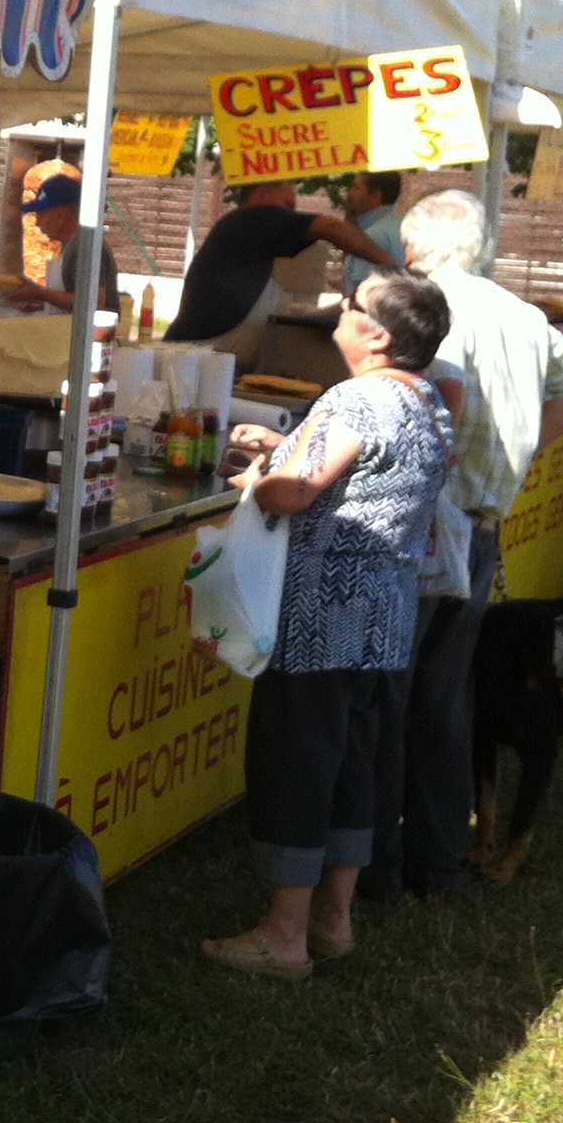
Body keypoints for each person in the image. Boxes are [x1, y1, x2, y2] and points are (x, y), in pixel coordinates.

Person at [203, 270, 454, 981]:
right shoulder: (424, 396)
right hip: (384, 613)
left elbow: (297, 490)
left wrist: (259, 477)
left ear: (375, 334)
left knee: (299, 764)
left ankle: (284, 935)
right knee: (354, 766)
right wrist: (283, 448)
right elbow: (355, 473)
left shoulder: (360, 396)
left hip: (320, 616)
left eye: (347, 308)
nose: (336, 316)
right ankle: (332, 920)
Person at [379, 187, 563, 897]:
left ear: (413, 250)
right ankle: (438, 855)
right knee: (446, 699)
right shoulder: (523, 312)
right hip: (479, 521)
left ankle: (379, 860)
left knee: (391, 692)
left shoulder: (426, 309)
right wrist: (525, 450)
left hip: (426, 521)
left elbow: (424, 399)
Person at [163, 180, 400, 366]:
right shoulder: (253, 218)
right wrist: (393, 266)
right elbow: (330, 227)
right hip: (195, 357)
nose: (292, 213)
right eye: (288, 204)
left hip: (205, 356)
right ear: (264, 194)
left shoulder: (245, 237)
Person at [0, 174, 118, 316]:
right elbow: (72, 297)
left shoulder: (83, 247)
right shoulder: (71, 246)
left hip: (87, 337)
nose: (37, 223)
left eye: (40, 214)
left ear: (60, 216)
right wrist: (38, 302)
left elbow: (94, 303)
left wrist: (40, 293)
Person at [338, 172, 407, 295]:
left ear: (375, 196)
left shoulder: (371, 237)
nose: (349, 194)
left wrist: (312, 314)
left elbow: (361, 299)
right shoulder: (403, 226)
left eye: (356, 188)